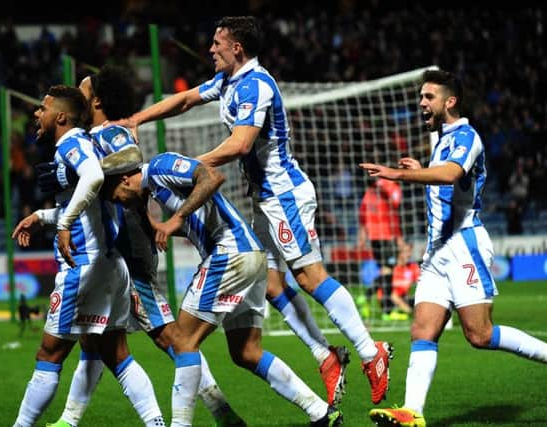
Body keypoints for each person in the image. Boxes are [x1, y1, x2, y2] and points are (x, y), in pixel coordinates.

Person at [114, 15, 390, 406]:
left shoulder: (256, 85)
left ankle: (369, 353)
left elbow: (242, 144)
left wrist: (188, 167)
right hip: (266, 200)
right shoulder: (228, 82)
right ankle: (325, 356)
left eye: (217, 43)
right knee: (273, 284)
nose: (210, 49)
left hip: (285, 195)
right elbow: (187, 98)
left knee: (310, 278)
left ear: (236, 48)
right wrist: (137, 118)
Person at [33, 65, 243, 427]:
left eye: (82, 89)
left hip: (128, 253)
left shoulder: (111, 132)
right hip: (113, 253)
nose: (76, 92)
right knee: (94, 340)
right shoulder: (83, 138)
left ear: (95, 99)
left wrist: (76, 173)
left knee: (171, 339)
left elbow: (130, 161)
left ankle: (221, 412)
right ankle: (68, 420)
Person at [101, 146, 343, 426]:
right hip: (250, 256)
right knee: (246, 352)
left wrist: (174, 220)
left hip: (230, 253)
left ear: (124, 179)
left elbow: (212, 177)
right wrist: (151, 218)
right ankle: (321, 412)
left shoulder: (159, 166)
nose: (116, 201)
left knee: (183, 341)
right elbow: (190, 221)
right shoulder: (154, 190)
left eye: (113, 194)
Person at [361, 69, 547, 427]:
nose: (421, 104)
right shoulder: (441, 140)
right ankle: (412, 412)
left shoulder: (466, 135)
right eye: (420, 97)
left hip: (464, 245)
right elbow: (442, 181)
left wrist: (399, 174)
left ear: (450, 101)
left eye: (428, 97)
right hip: (436, 252)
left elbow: (449, 175)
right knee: (423, 330)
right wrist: (420, 169)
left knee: (480, 334)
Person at [11, 85, 165, 427]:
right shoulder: (87, 144)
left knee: (49, 353)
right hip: (111, 266)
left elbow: (94, 177)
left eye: (43, 108)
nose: (37, 113)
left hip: (84, 266)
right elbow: (90, 203)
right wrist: (43, 217)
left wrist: (63, 223)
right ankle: (157, 423)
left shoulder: (71, 144)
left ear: (61, 117)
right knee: (117, 355)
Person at [357, 178, 405, 320]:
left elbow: (362, 215)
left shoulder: (369, 191)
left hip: (373, 236)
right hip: (387, 234)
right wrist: (399, 238)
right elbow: (395, 207)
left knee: (384, 270)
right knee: (388, 271)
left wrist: (363, 235)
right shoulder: (392, 186)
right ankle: (385, 309)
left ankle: (385, 309)